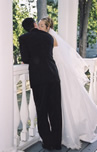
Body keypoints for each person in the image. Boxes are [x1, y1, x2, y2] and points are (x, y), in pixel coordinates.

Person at [38, 17, 97, 150]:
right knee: (61, 103)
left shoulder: (51, 39)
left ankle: (68, 131)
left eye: (42, 25)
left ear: (48, 27)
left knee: (64, 101)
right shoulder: (47, 37)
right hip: (55, 71)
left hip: (58, 72)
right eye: (39, 25)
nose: (39, 27)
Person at [19, 18, 62, 150]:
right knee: (55, 110)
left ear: (26, 28)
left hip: (39, 79)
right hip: (53, 76)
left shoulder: (23, 38)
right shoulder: (48, 37)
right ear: (35, 24)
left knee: (42, 111)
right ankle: (57, 143)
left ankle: (48, 143)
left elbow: (25, 59)